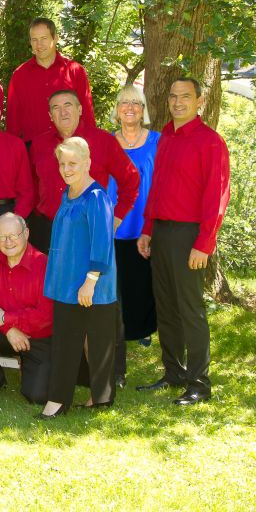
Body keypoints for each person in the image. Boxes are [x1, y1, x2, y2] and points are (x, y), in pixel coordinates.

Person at [136, 77, 230, 406]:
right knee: (166, 307)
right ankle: (174, 373)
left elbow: (216, 196)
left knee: (190, 309)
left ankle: (199, 383)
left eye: (185, 97)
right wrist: (147, 229)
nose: (178, 102)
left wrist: (204, 243)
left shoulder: (210, 142)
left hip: (190, 234)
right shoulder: (166, 139)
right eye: (173, 96)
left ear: (199, 101)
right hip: (161, 232)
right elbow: (156, 188)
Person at [39, 137, 118, 418]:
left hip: (89, 282)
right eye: (62, 163)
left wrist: (91, 280)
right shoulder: (68, 193)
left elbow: (102, 242)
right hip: (66, 280)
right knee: (66, 341)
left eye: (73, 163)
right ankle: (61, 398)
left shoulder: (96, 197)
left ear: (87, 163)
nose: (67, 168)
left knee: (97, 342)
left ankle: (99, 396)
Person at [29, 90, 139, 253]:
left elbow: (131, 178)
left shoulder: (103, 141)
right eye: (56, 108)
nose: (63, 112)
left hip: (89, 228)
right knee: (47, 278)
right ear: (50, 115)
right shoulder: (38, 145)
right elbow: (33, 185)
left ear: (80, 110)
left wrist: (116, 217)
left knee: (89, 278)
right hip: (47, 230)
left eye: (68, 105)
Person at [107, 85, 159, 382]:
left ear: (143, 109)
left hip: (145, 227)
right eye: (124, 103)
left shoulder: (157, 142)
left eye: (136, 103)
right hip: (114, 226)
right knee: (117, 290)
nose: (129, 108)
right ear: (117, 109)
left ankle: (143, 332)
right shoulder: (105, 142)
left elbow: (162, 185)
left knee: (143, 286)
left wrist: (152, 226)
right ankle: (119, 347)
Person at [0, 213, 53, 404]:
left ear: (26, 233)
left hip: (38, 337)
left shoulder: (45, 265)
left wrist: (5, 318)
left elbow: (46, 315)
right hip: (2, 333)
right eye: (2, 237)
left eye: (13, 235)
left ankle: (29, 368)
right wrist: (8, 328)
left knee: (37, 396)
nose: (8, 242)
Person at [6, 17, 95, 143]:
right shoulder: (20, 75)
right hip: (33, 151)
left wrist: (90, 144)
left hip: (71, 147)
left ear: (55, 38)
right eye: (34, 40)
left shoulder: (75, 71)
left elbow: (87, 113)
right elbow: (13, 120)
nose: (39, 45)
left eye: (44, 39)